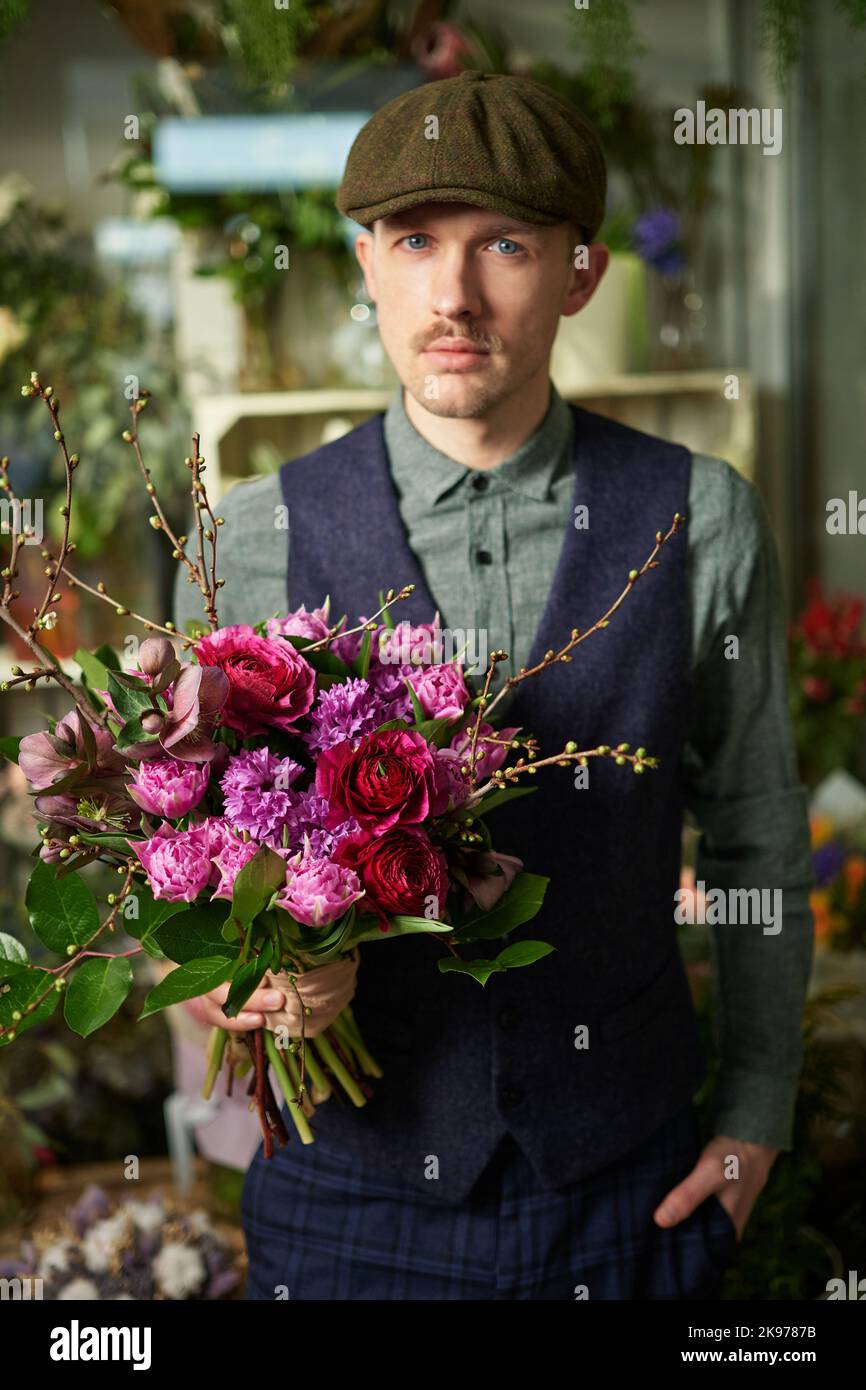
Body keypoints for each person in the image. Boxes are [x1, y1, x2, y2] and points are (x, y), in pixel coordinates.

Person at [172, 70, 816, 1300]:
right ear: (365, 262)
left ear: (580, 272)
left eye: (504, 245)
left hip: (627, 1183)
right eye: (414, 242)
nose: (452, 295)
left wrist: (755, 1115)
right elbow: (190, 873)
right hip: (344, 1190)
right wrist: (228, 984)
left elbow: (756, 832)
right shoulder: (248, 533)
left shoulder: (700, 515)